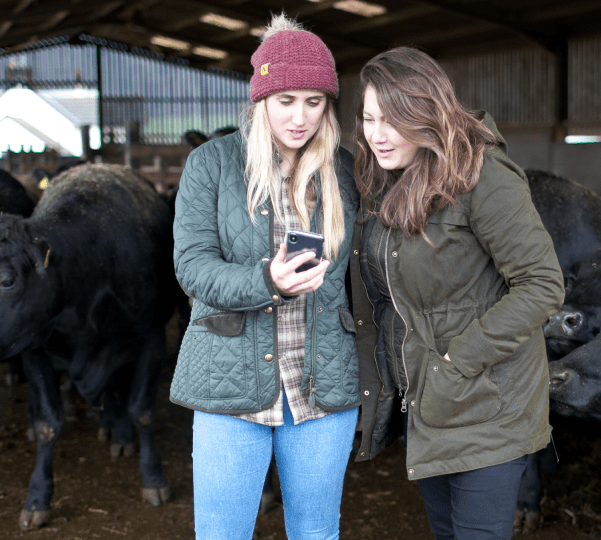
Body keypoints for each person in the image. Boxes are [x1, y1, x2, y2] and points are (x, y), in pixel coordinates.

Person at [350, 47, 565, 540]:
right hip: (431, 402)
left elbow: (542, 284)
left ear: (428, 112)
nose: (377, 134)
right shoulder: (387, 181)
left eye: (393, 120)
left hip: (487, 403)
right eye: (368, 119)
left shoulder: (484, 177)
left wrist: (458, 359)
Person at [170, 14, 360, 540]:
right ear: (260, 100)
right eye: (286, 101)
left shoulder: (344, 169)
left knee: (316, 532)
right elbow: (192, 266)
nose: (300, 118)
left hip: (322, 383)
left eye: (314, 102)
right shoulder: (212, 164)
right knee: (222, 533)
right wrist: (266, 281)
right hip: (229, 382)